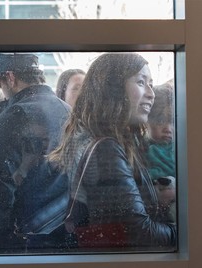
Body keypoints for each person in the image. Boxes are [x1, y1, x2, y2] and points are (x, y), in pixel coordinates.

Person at [49, 53, 177, 250]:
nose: (151, 93)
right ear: (113, 89)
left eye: (151, 83)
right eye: (141, 82)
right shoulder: (105, 148)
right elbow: (141, 232)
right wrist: (187, 232)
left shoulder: (87, 134)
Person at [0, 53, 71, 253]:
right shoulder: (67, 109)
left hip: (24, 237)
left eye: (1, 84)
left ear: (10, 77)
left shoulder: (15, 113)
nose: (3, 92)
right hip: (62, 227)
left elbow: (0, 188)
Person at [145, 80, 176, 220]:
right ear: (146, 122)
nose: (168, 129)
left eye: (173, 122)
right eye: (160, 122)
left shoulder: (182, 147)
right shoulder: (142, 149)